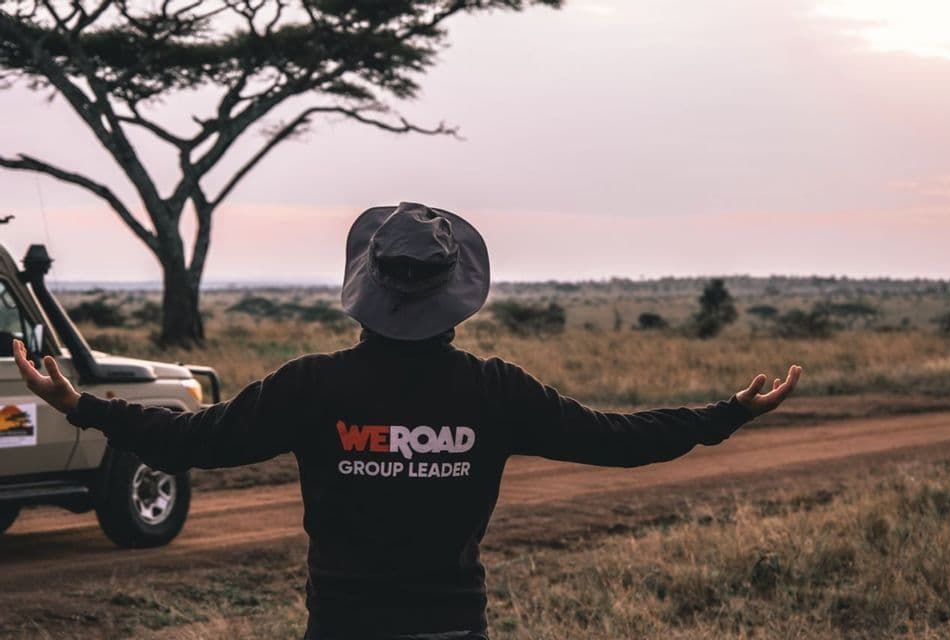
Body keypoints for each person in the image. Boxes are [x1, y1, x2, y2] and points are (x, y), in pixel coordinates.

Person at [13, 202, 801, 640]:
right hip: (451, 626)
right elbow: (615, 440)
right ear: (457, 295)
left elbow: (195, 442)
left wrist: (81, 404)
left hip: (342, 624)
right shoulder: (494, 392)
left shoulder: (312, 386)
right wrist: (725, 414)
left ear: (365, 286)